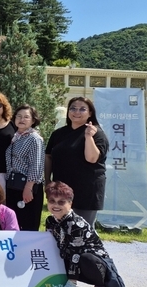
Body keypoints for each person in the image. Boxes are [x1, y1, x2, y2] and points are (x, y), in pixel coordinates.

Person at [44, 181, 115, 287]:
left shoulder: (77, 224)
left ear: (70, 203)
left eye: (61, 202)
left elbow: (75, 253)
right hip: (68, 257)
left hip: (92, 264)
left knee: (87, 258)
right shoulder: (50, 220)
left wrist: (72, 281)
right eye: (52, 201)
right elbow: (50, 244)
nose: (56, 205)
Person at [45, 97, 109, 229]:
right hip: (61, 190)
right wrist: (47, 181)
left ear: (90, 113)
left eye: (82, 109)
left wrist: (88, 137)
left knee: (82, 230)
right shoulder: (59, 133)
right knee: (60, 228)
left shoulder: (97, 133)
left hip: (86, 190)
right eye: (73, 108)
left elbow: (92, 158)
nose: (76, 112)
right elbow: (49, 157)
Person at [5, 105, 45, 231]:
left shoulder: (34, 138)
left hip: (28, 186)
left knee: (28, 225)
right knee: (14, 224)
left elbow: (36, 165)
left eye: (26, 117)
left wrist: (28, 188)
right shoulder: (17, 136)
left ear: (33, 120)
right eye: (19, 116)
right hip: (14, 185)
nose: (22, 119)